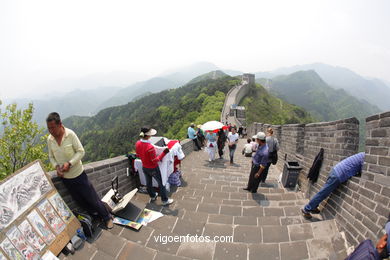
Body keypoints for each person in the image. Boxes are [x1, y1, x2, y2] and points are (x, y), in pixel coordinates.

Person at [46, 112, 113, 229]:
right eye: (49, 128)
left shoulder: (70, 135)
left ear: (60, 124)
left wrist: (69, 163)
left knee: (92, 198)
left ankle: (107, 217)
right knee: (80, 201)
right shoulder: (50, 139)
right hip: (65, 179)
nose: (51, 131)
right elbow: (51, 156)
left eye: (53, 127)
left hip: (78, 175)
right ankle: (96, 216)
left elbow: (81, 151)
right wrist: (56, 167)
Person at [301, 152, 365, 219]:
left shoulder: (362, 155)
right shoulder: (364, 158)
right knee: (323, 193)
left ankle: (313, 207)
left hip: (336, 171)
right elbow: (364, 171)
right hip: (338, 174)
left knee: (323, 192)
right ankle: (306, 209)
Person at [135, 127, 174, 206]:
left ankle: (152, 196)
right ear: (148, 135)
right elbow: (155, 160)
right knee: (161, 183)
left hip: (144, 167)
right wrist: (164, 153)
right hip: (153, 168)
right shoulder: (150, 147)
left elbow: (138, 155)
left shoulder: (137, 143)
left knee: (148, 183)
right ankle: (164, 200)